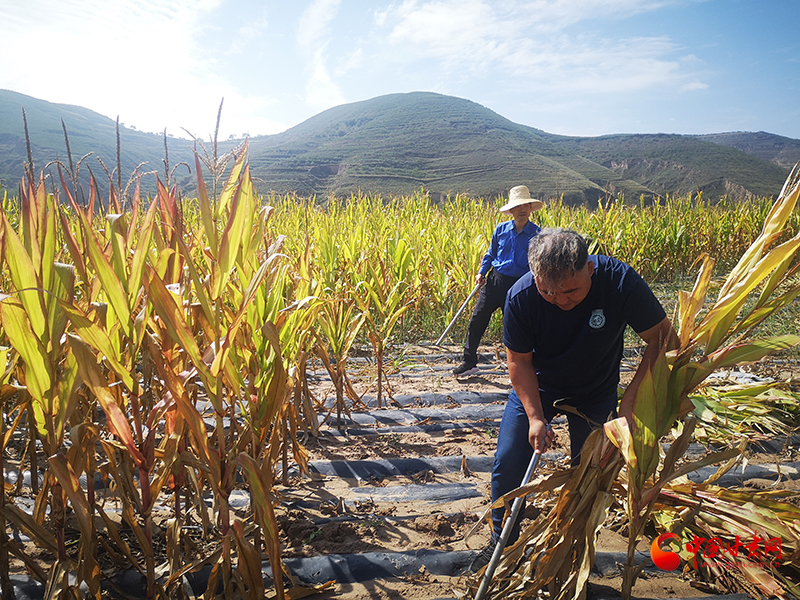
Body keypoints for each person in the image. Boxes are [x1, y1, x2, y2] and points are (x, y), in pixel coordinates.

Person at [470, 227, 675, 572]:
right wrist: (536, 417)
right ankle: (500, 542)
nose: (560, 300)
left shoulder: (619, 281)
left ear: (589, 269)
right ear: (534, 276)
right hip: (541, 387)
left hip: (595, 390)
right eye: (547, 291)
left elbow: (664, 339)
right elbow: (519, 361)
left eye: (570, 291)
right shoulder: (521, 297)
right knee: (508, 462)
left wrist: (630, 403)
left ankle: (575, 551)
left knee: (588, 475)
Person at [452, 185, 544, 376]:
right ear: (511, 210)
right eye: (518, 207)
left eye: (526, 206)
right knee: (477, 319)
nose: (522, 210)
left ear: (530, 209)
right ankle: (469, 362)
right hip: (495, 281)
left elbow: (539, 263)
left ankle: (526, 368)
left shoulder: (537, 234)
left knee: (518, 327)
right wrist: (481, 272)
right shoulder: (501, 229)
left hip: (520, 285)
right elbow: (490, 254)